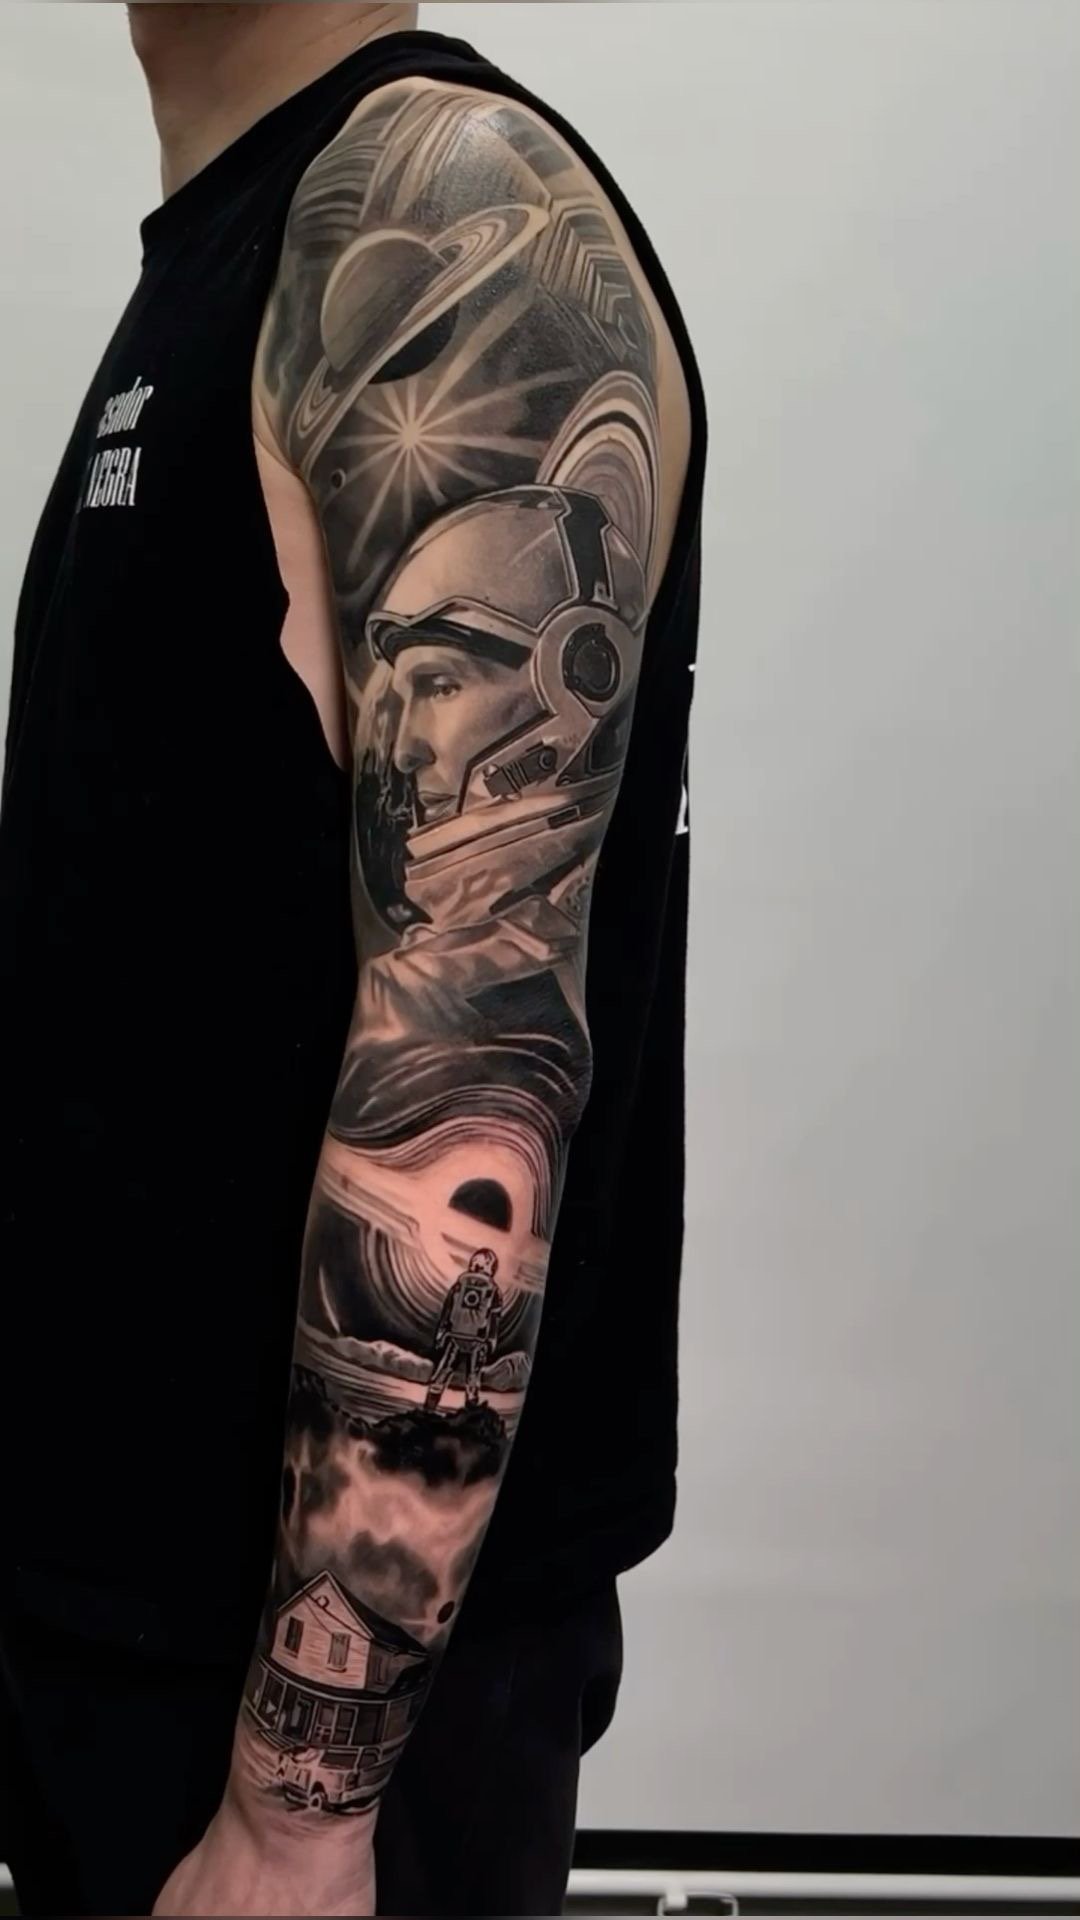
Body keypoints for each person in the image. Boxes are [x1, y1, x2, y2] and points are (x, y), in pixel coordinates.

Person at [0, 4, 707, 1914]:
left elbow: (472, 1064)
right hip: (121, 1657)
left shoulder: (441, 208)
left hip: (288, 1740)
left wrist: (302, 1813)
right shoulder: (244, 240)